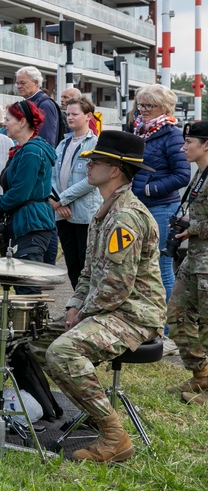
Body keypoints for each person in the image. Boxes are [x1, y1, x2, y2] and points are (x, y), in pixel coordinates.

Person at [46, 131, 165, 463]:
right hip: (110, 308)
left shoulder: (125, 217)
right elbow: (89, 272)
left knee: (63, 352)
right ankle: (73, 409)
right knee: (38, 338)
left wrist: (82, 315)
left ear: (115, 170)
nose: (88, 165)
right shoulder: (107, 209)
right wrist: (73, 305)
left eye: (95, 161)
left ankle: (114, 437)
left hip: (134, 315)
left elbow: (116, 288)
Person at [0, 101, 57, 294]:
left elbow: (20, 192)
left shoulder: (31, 152)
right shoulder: (24, 150)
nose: (4, 124)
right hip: (27, 224)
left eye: (8, 119)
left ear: (22, 122)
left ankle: (32, 326)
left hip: (31, 225)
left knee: (27, 290)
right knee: (24, 287)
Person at [131, 84, 189, 304]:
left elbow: (182, 175)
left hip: (162, 208)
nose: (143, 110)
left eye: (149, 105)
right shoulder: (139, 131)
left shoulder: (172, 135)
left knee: (161, 267)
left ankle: (166, 328)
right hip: (141, 207)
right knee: (142, 267)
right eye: (141, 105)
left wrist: (149, 189)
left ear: (164, 108)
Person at [167, 122, 208, 403]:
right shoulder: (199, 175)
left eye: (189, 142)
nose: (184, 147)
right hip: (194, 260)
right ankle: (202, 375)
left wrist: (191, 227)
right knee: (176, 316)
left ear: (206, 144)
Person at [51, 97, 102, 289]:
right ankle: (76, 305)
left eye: (74, 114)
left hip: (83, 215)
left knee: (85, 264)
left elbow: (91, 180)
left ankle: (86, 308)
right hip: (62, 213)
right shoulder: (63, 143)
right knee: (71, 263)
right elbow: (51, 175)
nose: (69, 117)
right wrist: (55, 200)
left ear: (88, 116)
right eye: (67, 114)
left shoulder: (95, 144)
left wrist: (62, 199)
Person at [15, 66, 61, 148]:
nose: (18, 86)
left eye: (22, 83)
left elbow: (47, 141)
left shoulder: (45, 105)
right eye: (17, 83)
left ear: (35, 82)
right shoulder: (32, 102)